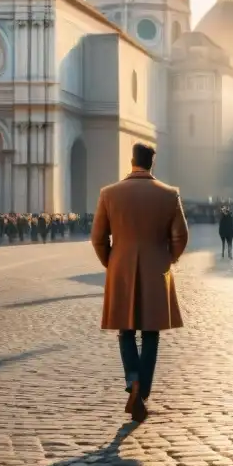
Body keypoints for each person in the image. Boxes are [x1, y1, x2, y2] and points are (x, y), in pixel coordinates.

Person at [90, 143, 189, 423]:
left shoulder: (109, 194)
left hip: (121, 267)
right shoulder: (169, 194)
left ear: (132, 161)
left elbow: (98, 238)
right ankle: (143, 390)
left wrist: (112, 262)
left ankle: (133, 379)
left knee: (126, 331)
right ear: (152, 163)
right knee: (150, 333)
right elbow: (180, 238)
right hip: (157, 268)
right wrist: (167, 258)